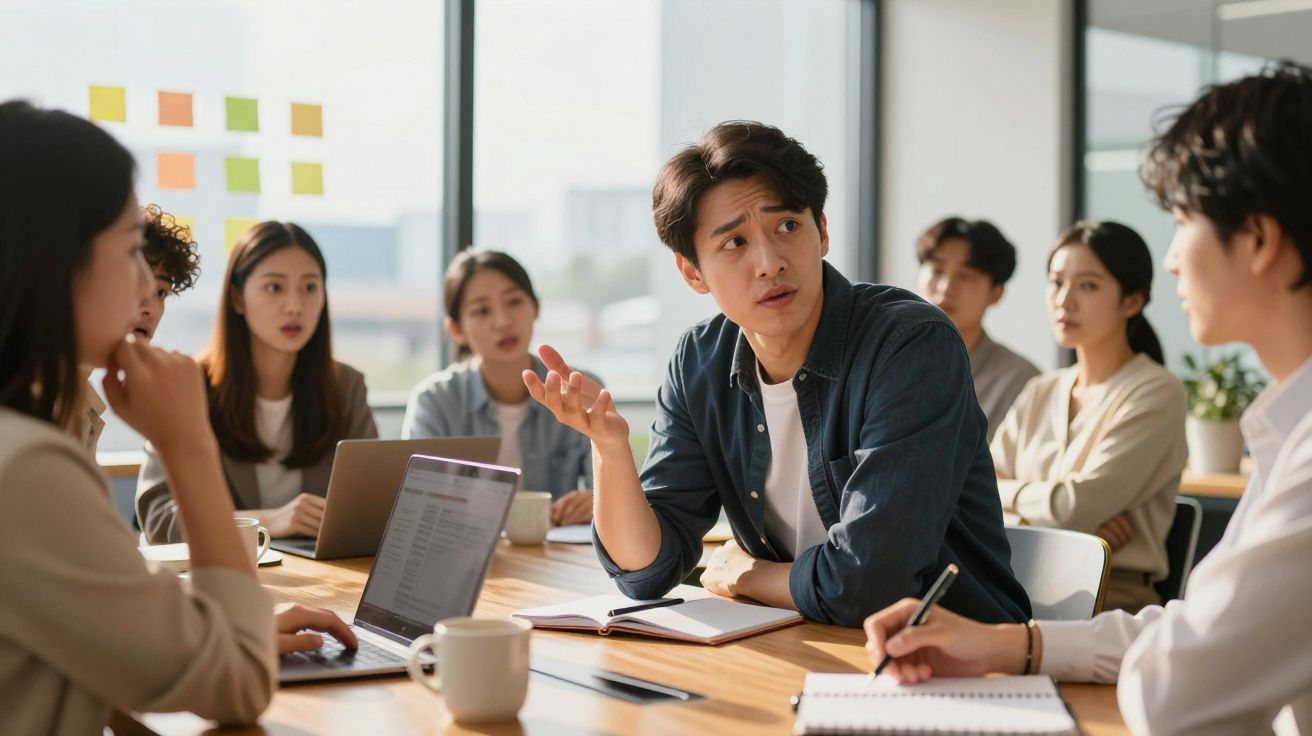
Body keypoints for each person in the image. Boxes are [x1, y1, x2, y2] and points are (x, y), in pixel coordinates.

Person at [863, 62, 1312, 735]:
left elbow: (1175, 693)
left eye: (1182, 221)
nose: (1171, 261)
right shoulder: (1287, 432)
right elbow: (1192, 633)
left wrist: (1021, 495)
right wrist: (1010, 645)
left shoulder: (1291, 450)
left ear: (1257, 239)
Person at [521, 121, 1031, 627]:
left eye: (787, 226)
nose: (769, 262)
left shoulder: (909, 344)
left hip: (955, 662)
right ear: (692, 272)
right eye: (734, 243)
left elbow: (872, 582)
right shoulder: (701, 362)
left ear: (822, 231)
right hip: (802, 644)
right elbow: (646, 572)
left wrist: (752, 576)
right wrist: (610, 450)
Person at [0, 99, 354, 733]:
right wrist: (189, 442)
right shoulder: (26, 467)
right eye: (133, 247)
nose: (147, 290)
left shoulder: (34, 430)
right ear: (56, 261)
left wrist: (203, 632)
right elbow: (238, 688)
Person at [137, 222, 378, 543]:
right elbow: (159, 520)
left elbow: (373, 511)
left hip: (322, 581)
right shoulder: (187, 384)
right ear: (237, 298)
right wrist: (268, 521)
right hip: (225, 579)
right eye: (274, 287)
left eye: (310, 287)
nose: (295, 306)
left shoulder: (346, 387)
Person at [991, 220, 1187, 612]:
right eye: (1056, 282)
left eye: (1088, 285)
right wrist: (1072, 534)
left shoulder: (1156, 392)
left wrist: (1012, 493)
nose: (1064, 300)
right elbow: (971, 496)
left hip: (1110, 604)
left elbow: (1073, 507)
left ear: (1132, 301)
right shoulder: (1040, 391)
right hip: (1017, 590)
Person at [403, 250, 597, 525]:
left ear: (536, 307)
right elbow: (417, 506)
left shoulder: (578, 387)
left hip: (557, 555)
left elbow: (609, 493)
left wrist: (598, 500)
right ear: (456, 329)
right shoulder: (435, 401)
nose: (503, 321)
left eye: (514, 301)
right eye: (482, 310)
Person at [915, 217, 1039, 440]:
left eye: (965, 276)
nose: (945, 288)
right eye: (937, 271)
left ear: (996, 293)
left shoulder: (1020, 381)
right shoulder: (885, 360)